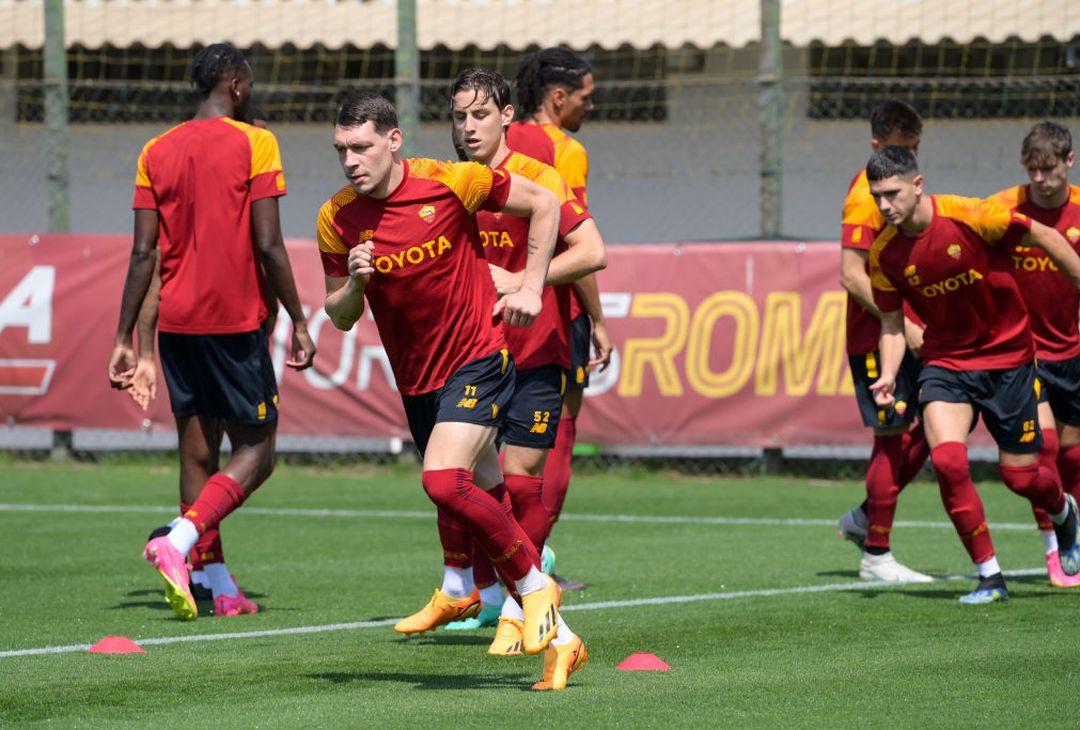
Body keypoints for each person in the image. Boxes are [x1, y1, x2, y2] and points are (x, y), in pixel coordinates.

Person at [316, 92, 585, 690]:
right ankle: (562, 639)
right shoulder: (336, 218)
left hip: (480, 357)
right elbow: (336, 314)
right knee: (484, 501)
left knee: (442, 480)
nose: (351, 161)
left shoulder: (451, 182)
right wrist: (356, 285)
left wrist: (532, 285)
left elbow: (543, 202)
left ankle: (534, 593)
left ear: (393, 141)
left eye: (361, 147)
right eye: (341, 150)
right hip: (419, 381)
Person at [107, 43, 316, 621]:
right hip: (233, 320)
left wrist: (125, 336)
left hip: (176, 321)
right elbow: (269, 244)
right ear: (237, 85)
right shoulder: (257, 142)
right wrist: (299, 318)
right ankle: (178, 541)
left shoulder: (156, 148)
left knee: (197, 451)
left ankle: (218, 582)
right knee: (259, 449)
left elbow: (143, 252)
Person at [439, 70, 604, 672]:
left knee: (521, 481)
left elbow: (592, 252)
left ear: (508, 116)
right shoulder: (451, 183)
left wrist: (527, 281)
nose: (468, 127)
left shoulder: (541, 178)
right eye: (459, 117)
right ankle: (501, 588)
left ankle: (517, 605)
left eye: (480, 115)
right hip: (471, 354)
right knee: (467, 486)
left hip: (536, 350)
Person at [865, 144, 1080, 604]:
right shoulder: (883, 255)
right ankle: (990, 576)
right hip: (947, 364)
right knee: (947, 461)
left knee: (1021, 478)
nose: (885, 206)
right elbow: (890, 324)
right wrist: (887, 373)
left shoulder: (973, 215)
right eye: (877, 196)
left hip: (1010, 362)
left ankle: (1064, 512)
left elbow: (1045, 236)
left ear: (917, 185)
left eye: (893, 194)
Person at [506, 47, 612, 590]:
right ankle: (534, 559)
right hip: (550, 312)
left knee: (485, 447)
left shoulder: (497, 142)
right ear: (558, 98)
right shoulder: (564, 150)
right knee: (555, 440)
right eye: (585, 98)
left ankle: (478, 570)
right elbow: (578, 247)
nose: (589, 108)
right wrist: (597, 318)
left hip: (496, 307)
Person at [835, 100, 932, 583]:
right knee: (892, 435)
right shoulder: (864, 195)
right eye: (899, 149)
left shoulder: (908, 191)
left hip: (911, 328)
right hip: (876, 336)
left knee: (936, 429)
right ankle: (876, 554)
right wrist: (902, 321)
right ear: (877, 146)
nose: (907, 158)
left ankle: (865, 515)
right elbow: (852, 276)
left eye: (914, 149)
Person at [988, 120, 1080, 587]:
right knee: (1042, 449)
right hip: (1022, 354)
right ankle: (1052, 547)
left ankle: (1075, 540)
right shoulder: (1003, 209)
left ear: (1069, 161)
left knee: (1073, 454)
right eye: (1031, 171)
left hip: (1072, 350)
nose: (1039, 180)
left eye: (1048, 170)